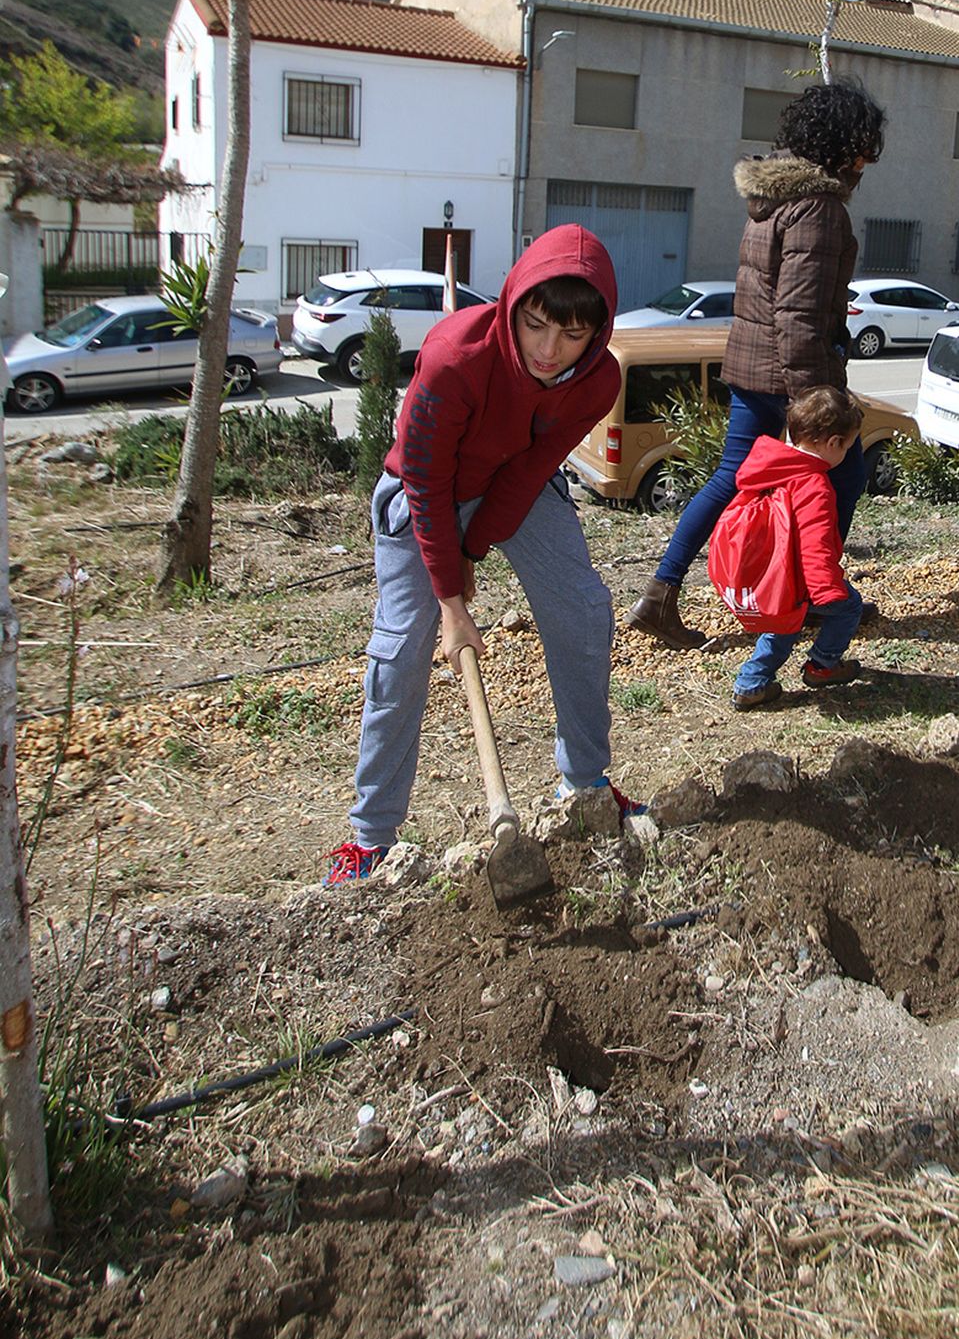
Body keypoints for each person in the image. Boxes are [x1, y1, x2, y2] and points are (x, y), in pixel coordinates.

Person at [323, 226, 631, 886]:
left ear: (596, 332)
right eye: (536, 324)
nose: (549, 351)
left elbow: (529, 473)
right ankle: (370, 837)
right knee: (404, 645)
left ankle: (584, 786)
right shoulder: (455, 357)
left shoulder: (597, 380)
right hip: (422, 490)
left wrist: (473, 550)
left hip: (511, 486)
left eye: (571, 335)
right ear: (514, 304)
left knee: (583, 609)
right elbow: (428, 482)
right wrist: (450, 597)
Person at [629, 78, 887, 647]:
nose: (867, 165)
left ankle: (660, 593)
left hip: (751, 368)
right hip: (791, 376)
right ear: (841, 145)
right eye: (863, 151)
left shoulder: (774, 200)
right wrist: (814, 403)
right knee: (843, 473)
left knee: (729, 478)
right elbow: (795, 317)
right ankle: (816, 595)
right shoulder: (817, 209)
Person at [719, 385, 868, 712]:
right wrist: (826, 590)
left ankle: (751, 683)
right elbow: (815, 544)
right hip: (799, 576)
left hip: (771, 572)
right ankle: (823, 665)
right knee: (850, 606)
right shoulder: (814, 484)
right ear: (833, 443)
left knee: (783, 625)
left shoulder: (769, 466)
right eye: (847, 446)